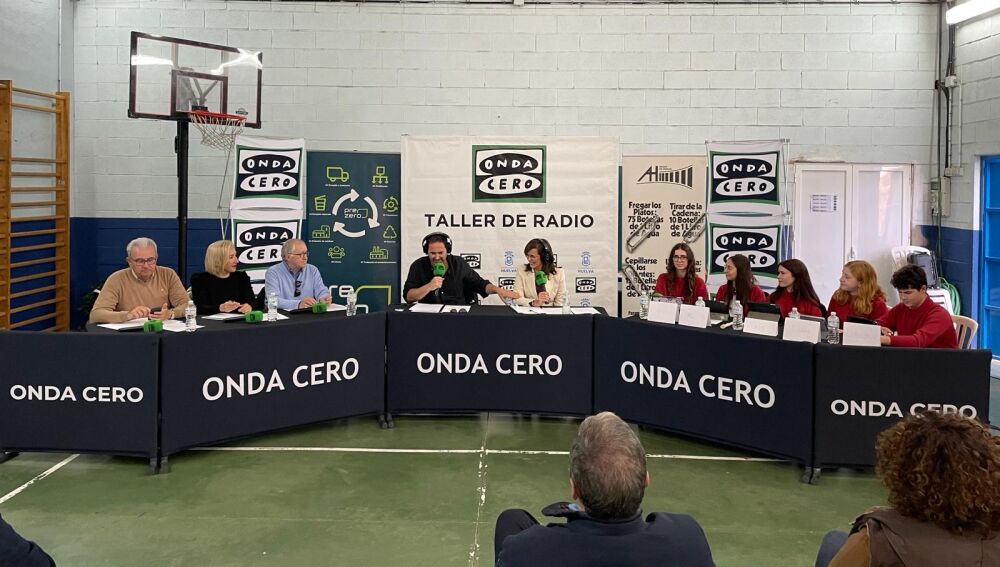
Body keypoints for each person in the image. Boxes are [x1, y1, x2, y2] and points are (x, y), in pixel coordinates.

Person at [494, 412, 716, 567]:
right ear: (646, 480)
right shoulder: (688, 540)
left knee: (511, 521)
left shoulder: (524, 553)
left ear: (575, 490)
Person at [815, 411, 1000, 567]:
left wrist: (881, 521)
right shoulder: (993, 532)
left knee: (834, 541)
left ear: (901, 473)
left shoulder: (877, 538)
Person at [88, 237, 189, 324]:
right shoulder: (116, 279)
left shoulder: (168, 274)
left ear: (156, 258)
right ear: (129, 261)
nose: (146, 266)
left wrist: (171, 314)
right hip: (129, 336)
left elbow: (187, 305)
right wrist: (127, 315)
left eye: (150, 260)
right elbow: (96, 315)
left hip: (162, 331)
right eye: (140, 261)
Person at [403, 232, 520, 305]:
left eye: (440, 252)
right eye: (432, 253)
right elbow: (409, 297)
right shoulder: (418, 266)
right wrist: (429, 286)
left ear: (447, 250)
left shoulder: (459, 264)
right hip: (429, 319)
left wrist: (498, 290)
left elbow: (480, 284)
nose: (437, 257)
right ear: (426, 252)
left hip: (457, 317)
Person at [876, 264, 958, 348]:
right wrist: (877, 329)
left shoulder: (939, 315)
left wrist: (882, 339)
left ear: (923, 289)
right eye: (900, 292)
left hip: (941, 359)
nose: (903, 297)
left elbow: (918, 341)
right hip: (915, 357)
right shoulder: (901, 308)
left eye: (908, 292)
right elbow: (876, 324)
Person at [191, 240, 256, 315]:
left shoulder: (241, 277)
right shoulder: (200, 280)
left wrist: (249, 306)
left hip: (240, 322)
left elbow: (254, 302)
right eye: (231, 257)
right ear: (218, 260)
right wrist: (220, 307)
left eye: (235, 256)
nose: (237, 261)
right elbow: (199, 308)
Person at [263, 239, 332, 310]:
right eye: (300, 255)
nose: (305, 257)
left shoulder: (312, 270)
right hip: (283, 316)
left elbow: (321, 290)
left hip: (307, 314)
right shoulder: (273, 272)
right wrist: (298, 304)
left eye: (306, 253)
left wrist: (323, 297)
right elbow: (272, 301)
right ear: (287, 257)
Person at [513, 238, 566, 307]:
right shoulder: (522, 270)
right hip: (529, 314)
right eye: (527, 255)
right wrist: (533, 302)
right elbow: (516, 298)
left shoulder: (559, 273)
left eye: (532, 256)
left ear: (544, 257)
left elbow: (560, 302)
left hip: (551, 315)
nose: (529, 259)